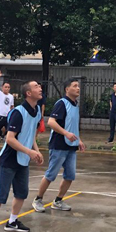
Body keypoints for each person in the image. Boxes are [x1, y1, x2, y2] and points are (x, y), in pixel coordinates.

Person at [0, 81, 44, 232]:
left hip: (23, 158)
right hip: (10, 158)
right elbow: (10, 138)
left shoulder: (37, 111)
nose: (40, 88)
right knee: (1, 194)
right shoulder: (18, 112)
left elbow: (31, 134)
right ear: (28, 93)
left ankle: (12, 221)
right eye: (36, 87)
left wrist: (36, 151)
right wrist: (29, 151)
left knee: (22, 193)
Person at [32, 78, 86, 213]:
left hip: (71, 146)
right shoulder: (62, 103)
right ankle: (38, 199)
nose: (78, 88)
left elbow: (72, 125)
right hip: (59, 145)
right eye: (75, 86)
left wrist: (78, 140)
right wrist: (66, 133)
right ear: (67, 89)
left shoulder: (75, 105)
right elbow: (51, 122)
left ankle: (58, 201)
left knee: (70, 175)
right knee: (51, 174)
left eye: (78, 86)